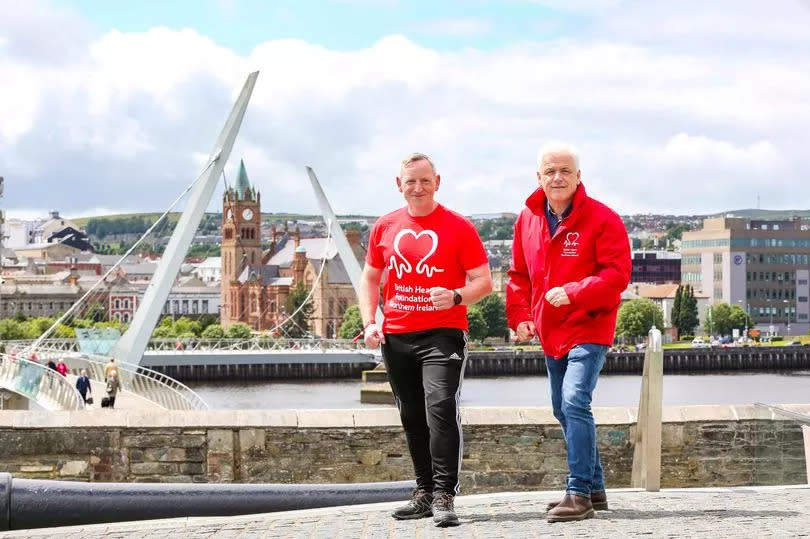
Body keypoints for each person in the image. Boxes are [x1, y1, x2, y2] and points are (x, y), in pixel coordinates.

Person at [359, 153, 493, 527]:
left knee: (440, 408)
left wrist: (455, 296)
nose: (417, 188)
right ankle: (422, 492)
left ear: (437, 182)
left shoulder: (459, 227)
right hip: (397, 336)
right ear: (398, 184)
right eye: (410, 181)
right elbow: (370, 278)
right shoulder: (385, 226)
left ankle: (444, 495)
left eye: (425, 181)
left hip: (443, 334)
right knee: (411, 414)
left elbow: (484, 282)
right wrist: (370, 321)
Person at [506, 143, 631, 523]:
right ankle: (595, 488)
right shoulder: (526, 220)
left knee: (575, 400)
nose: (557, 178)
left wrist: (575, 292)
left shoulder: (603, 219)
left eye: (565, 171)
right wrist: (521, 317)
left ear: (579, 177)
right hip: (549, 328)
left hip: (589, 324)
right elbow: (518, 277)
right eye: (550, 171)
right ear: (539, 177)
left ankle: (577, 493)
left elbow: (617, 275)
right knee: (562, 407)